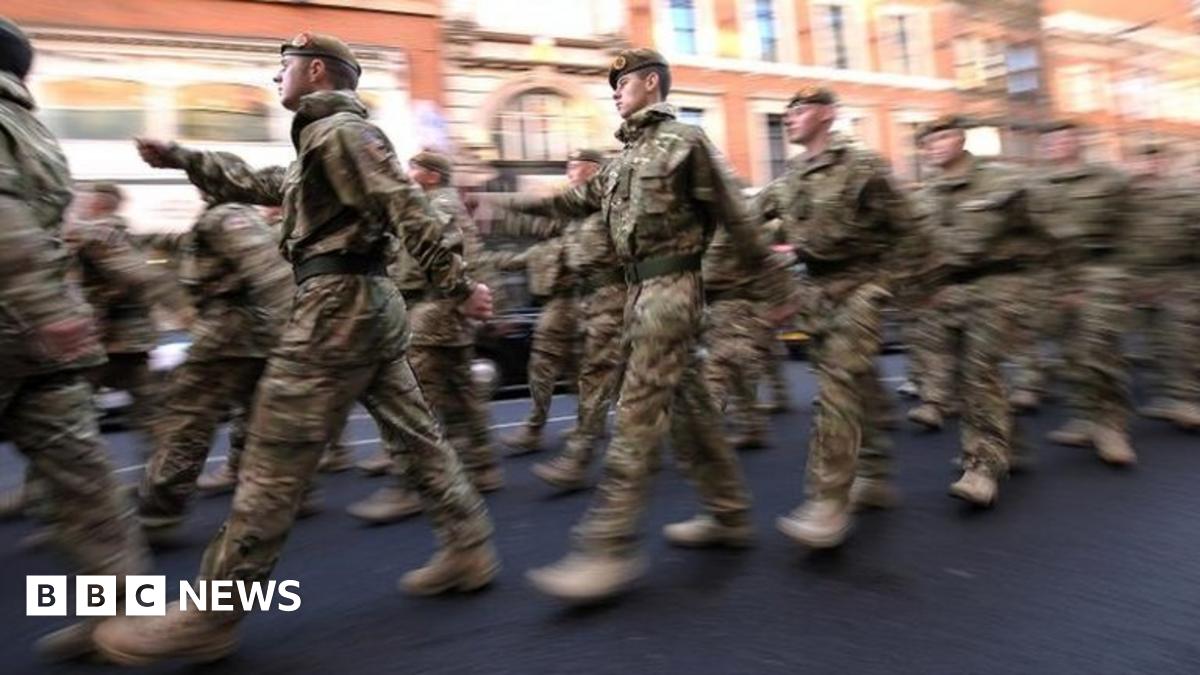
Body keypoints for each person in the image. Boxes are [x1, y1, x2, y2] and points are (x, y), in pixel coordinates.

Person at [93, 32, 497, 664]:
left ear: (314, 71)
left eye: (282, 68)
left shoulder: (342, 133)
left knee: (274, 452)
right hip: (361, 306)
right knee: (416, 437)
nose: (275, 78)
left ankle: (213, 612)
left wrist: (458, 286)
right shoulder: (320, 143)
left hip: (336, 307)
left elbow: (406, 206)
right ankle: (468, 546)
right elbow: (260, 180)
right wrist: (183, 157)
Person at [497, 48, 795, 602]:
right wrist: (500, 205)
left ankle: (608, 546)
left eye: (623, 81)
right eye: (612, 84)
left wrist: (779, 290)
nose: (615, 90)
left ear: (651, 83)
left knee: (636, 412)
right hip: (636, 294)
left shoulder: (686, 142)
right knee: (689, 408)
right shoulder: (621, 163)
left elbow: (738, 218)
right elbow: (572, 203)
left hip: (673, 289)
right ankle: (729, 512)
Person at [0, 16, 148, 661]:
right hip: (44, 334)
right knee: (83, 483)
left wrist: (45, 309)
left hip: (22, 324)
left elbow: (5, 223)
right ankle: (123, 617)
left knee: (84, 477)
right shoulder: (32, 127)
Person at [764, 86, 913, 548]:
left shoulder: (863, 166)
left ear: (828, 114)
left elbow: (908, 229)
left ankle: (828, 502)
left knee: (836, 387)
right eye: (787, 111)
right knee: (857, 381)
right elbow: (753, 223)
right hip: (818, 293)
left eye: (800, 109)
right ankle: (875, 474)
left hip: (862, 288)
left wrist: (894, 287)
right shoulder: (791, 176)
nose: (789, 117)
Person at [348, 150, 503, 524]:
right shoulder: (441, 203)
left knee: (414, 401)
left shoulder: (436, 205)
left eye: (414, 167)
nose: (407, 171)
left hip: (433, 313)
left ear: (432, 175)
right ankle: (483, 465)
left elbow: (440, 256)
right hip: (445, 313)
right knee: (462, 393)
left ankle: (411, 487)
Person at [906, 115, 1050, 505]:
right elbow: (916, 249)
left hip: (997, 288)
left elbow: (1042, 232)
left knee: (979, 374)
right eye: (927, 142)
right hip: (948, 292)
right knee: (962, 378)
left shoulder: (1002, 181)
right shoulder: (924, 196)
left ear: (961, 138)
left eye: (943, 137)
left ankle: (982, 467)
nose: (935, 146)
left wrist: (1039, 285)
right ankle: (1011, 445)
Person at [1032, 121, 1137, 466]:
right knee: (1068, 351)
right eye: (1049, 140)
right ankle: (1084, 416)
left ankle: (1111, 427)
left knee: (1099, 349)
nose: (1056, 145)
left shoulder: (1109, 179)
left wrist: (1127, 273)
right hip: (1054, 273)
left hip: (1099, 270)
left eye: (1063, 139)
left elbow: (1134, 226)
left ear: (1078, 142)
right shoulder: (1035, 183)